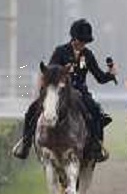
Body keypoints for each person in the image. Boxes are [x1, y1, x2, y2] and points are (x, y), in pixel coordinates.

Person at [12, 18, 118, 162]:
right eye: (80, 41)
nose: (82, 45)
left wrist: (110, 75)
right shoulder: (60, 51)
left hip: (80, 92)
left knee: (96, 111)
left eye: (85, 42)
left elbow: (99, 77)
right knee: (32, 110)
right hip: (59, 91)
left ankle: (96, 145)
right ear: (73, 38)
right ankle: (25, 143)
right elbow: (49, 72)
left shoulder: (88, 55)